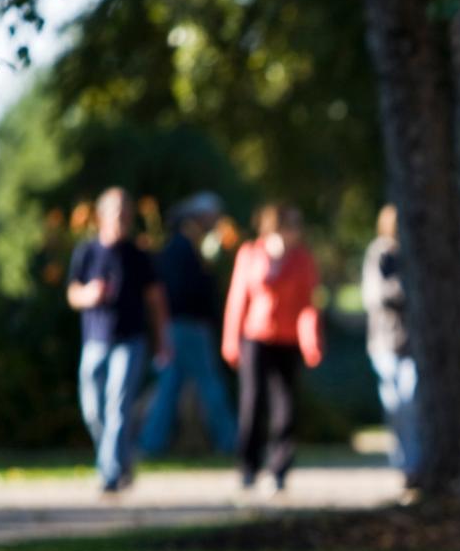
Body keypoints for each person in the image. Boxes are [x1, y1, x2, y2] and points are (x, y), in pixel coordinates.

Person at [67, 187, 172, 494]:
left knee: (118, 405)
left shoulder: (138, 255)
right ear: (101, 216)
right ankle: (121, 462)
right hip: (95, 340)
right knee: (93, 409)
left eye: (127, 211)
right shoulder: (86, 252)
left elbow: (156, 300)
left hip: (131, 340)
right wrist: (89, 295)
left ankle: (109, 475)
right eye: (117, 211)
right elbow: (72, 293)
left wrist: (163, 340)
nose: (123, 218)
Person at [223, 203, 322, 493]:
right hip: (256, 336)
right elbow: (238, 299)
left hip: (289, 339)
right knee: (253, 403)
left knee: (286, 406)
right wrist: (231, 340)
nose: (295, 232)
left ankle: (280, 467)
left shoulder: (302, 259)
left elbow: (309, 303)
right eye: (290, 225)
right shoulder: (251, 254)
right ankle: (248, 466)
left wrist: (311, 339)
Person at [139, 192, 239, 457]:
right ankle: (229, 440)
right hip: (188, 326)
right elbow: (185, 290)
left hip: (180, 325)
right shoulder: (184, 248)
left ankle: (152, 443)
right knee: (208, 383)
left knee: (170, 387)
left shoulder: (184, 245)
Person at [361, 204, 418, 477]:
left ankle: (414, 461)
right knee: (395, 404)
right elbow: (374, 295)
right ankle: (402, 461)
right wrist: (404, 290)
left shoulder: (414, 253)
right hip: (385, 340)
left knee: (411, 400)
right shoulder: (380, 254)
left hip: (412, 342)